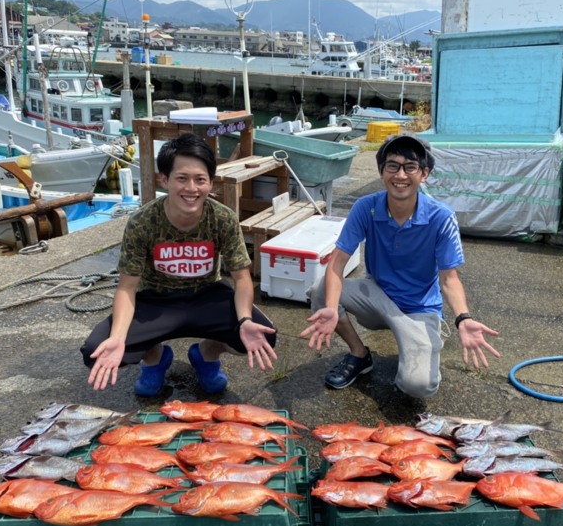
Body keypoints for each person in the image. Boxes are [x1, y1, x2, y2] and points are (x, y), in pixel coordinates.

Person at [300, 134, 500, 398]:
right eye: (392, 166)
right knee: (320, 288)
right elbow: (337, 263)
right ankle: (360, 355)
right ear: (382, 171)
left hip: (419, 308)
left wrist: (464, 318)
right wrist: (329, 307)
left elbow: (449, 279)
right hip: (377, 297)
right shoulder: (366, 208)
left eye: (410, 167)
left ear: (424, 174)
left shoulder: (441, 217)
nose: (401, 175)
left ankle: (423, 341)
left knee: (417, 387)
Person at [81, 132, 277, 397]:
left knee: (262, 336)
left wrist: (244, 319)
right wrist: (117, 337)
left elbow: (241, 278)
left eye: (200, 180)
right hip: (156, 300)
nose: (191, 189)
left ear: (210, 182)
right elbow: (127, 288)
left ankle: (206, 356)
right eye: (182, 178)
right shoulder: (143, 222)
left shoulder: (223, 218)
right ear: (165, 179)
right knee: (96, 350)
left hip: (207, 295)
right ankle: (155, 360)